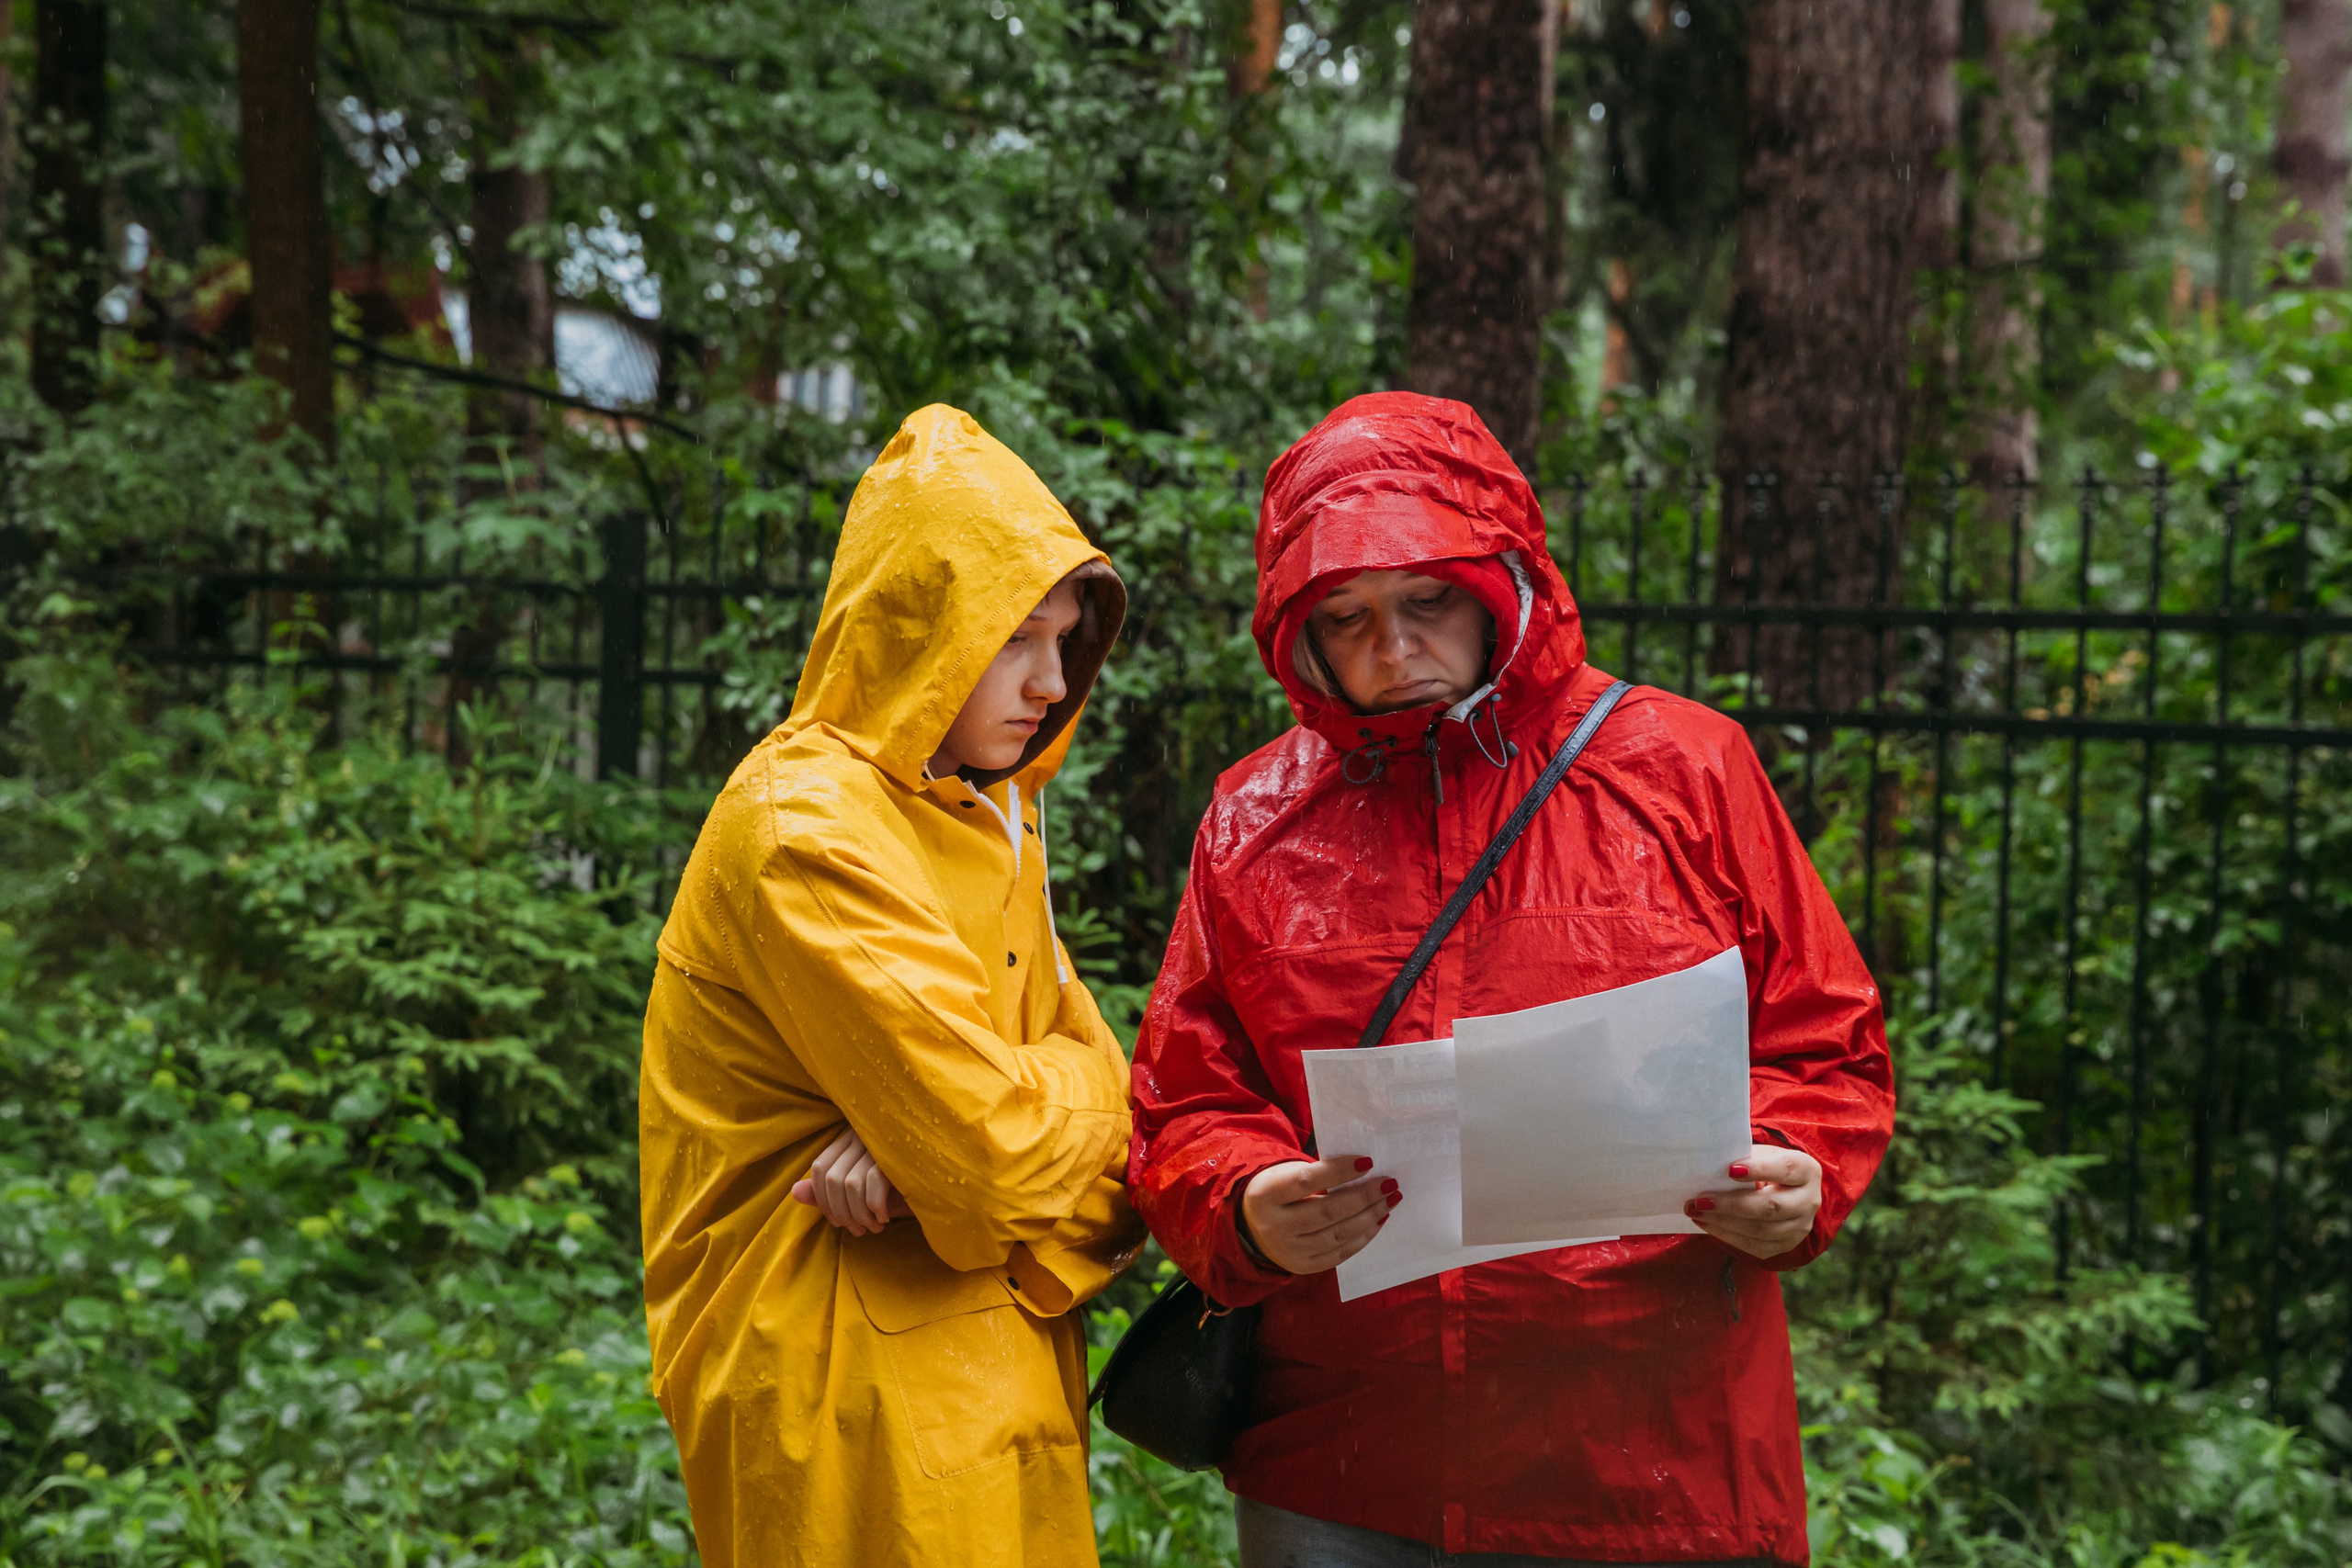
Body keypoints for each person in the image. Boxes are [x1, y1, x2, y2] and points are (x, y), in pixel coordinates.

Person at [1125, 392, 1894, 1566]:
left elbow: (1824, 1042)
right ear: (1300, 636)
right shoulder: (1253, 823)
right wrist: (1243, 1201)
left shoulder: (1683, 768)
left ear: (1500, 586)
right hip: (1347, 1455)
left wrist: (1798, 1168)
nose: (1394, 650)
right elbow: (1186, 1098)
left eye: (1428, 601)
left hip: (1653, 1452)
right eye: (1348, 617)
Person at [639, 404, 1145, 1568]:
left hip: (1002, 1362)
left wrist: (964, 1144)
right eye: (1015, 635)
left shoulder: (988, 809)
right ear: (918, 626)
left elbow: (1121, 1144)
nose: (1050, 679)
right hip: (842, 1389)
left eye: (1064, 638)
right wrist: (982, 1146)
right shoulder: (806, 829)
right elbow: (995, 1153)